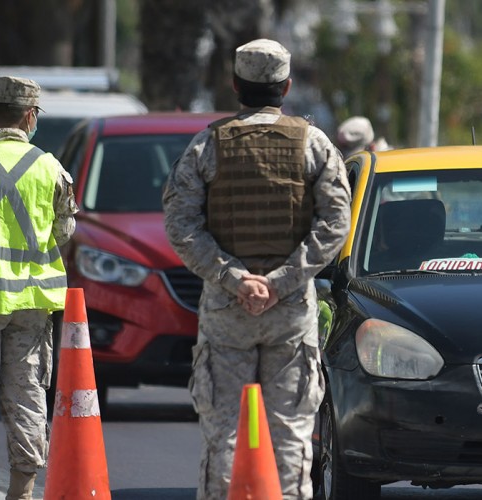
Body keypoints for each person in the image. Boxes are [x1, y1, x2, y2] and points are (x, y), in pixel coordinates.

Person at [162, 38, 351, 500]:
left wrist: (233, 277)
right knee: (291, 436)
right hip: (289, 312)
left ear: (235, 86)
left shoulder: (208, 144)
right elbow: (336, 222)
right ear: (286, 87)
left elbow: (180, 223)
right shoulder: (315, 144)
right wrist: (282, 281)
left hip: (227, 311)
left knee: (222, 435)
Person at [0, 76, 77, 500]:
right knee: (28, 392)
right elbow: (63, 231)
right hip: (32, 304)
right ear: (31, 117)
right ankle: (22, 491)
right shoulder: (51, 168)